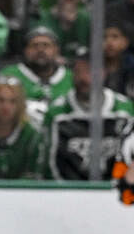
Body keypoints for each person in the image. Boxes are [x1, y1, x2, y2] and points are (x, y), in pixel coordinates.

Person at [43, 46, 134, 180]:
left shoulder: (124, 109)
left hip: (113, 192)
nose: (82, 78)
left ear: (103, 73)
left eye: (89, 71)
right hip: (68, 194)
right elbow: (49, 163)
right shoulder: (57, 113)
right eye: (78, 71)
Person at [0, 25, 73, 127]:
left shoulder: (73, 79)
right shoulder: (7, 76)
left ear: (57, 50)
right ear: (25, 51)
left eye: (46, 45)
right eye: (34, 45)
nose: (40, 50)